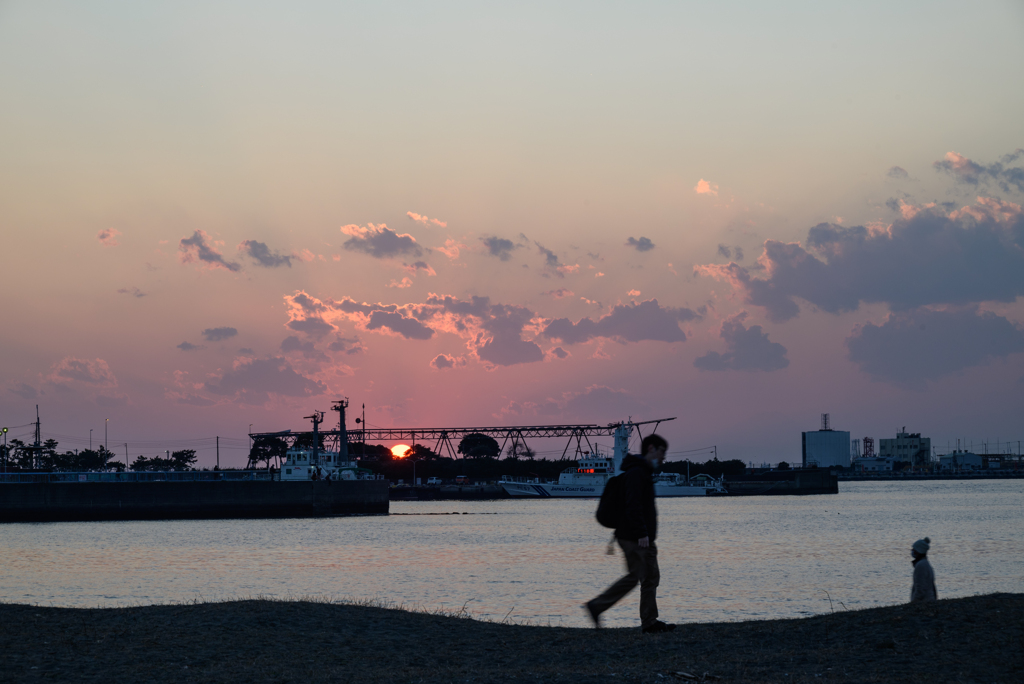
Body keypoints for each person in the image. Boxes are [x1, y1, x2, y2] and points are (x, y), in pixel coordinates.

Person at [585, 434, 676, 633]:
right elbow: (633, 506)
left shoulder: (641, 472)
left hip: (638, 536)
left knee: (649, 577)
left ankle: (649, 621)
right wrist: (642, 533)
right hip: (634, 537)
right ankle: (598, 606)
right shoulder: (636, 473)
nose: (663, 457)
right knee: (639, 576)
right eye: (662, 452)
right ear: (651, 448)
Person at [910, 537, 937, 603]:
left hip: (924, 602)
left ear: (918, 551)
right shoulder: (926, 564)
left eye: (914, 549)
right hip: (929, 600)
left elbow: (920, 588)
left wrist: (914, 602)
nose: (912, 550)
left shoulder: (921, 566)